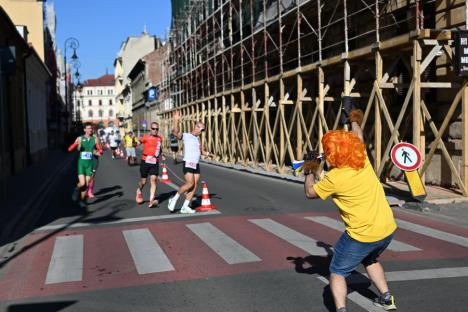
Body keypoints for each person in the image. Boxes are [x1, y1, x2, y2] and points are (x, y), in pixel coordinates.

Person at [303, 109, 397, 312]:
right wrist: (354, 120)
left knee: (336, 272)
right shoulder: (362, 160)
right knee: (370, 258)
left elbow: (310, 193)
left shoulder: (334, 178)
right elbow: (358, 137)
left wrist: (309, 169)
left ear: (331, 154)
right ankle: (387, 298)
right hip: (386, 228)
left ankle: (341, 309)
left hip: (361, 234)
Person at [167, 111, 212, 214]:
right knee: (189, 183)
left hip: (196, 164)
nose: (202, 131)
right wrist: (176, 120)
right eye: (202, 129)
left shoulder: (198, 139)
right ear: (196, 127)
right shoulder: (186, 135)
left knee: (194, 185)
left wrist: (208, 154)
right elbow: (175, 132)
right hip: (188, 162)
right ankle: (173, 200)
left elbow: (201, 151)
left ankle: (185, 207)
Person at [68, 123, 103, 206]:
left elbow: (99, 149)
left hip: (90, 163)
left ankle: (82, 200)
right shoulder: (80, 138)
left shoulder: (95, 139)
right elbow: (72, 149)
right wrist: (78, 145)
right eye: (88, 128)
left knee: (87, 184)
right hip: (81, 164)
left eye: (91, 128)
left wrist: (99, 152)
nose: (90, 130)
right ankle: (76, 189)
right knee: (82, 183)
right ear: (85, 130)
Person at [136, 122, 165, 208]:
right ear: (150, 129)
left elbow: (159, 148)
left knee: (154, 179)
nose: (155, 130)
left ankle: (151, 199)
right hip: (145, 161)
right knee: (143, 182)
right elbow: (139, 142)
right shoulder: (146, 137)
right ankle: (139, 190)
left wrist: (162, 154)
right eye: (153, 129)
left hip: (155, 161)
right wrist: (136, 143)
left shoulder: (160, 139)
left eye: (157, 129)